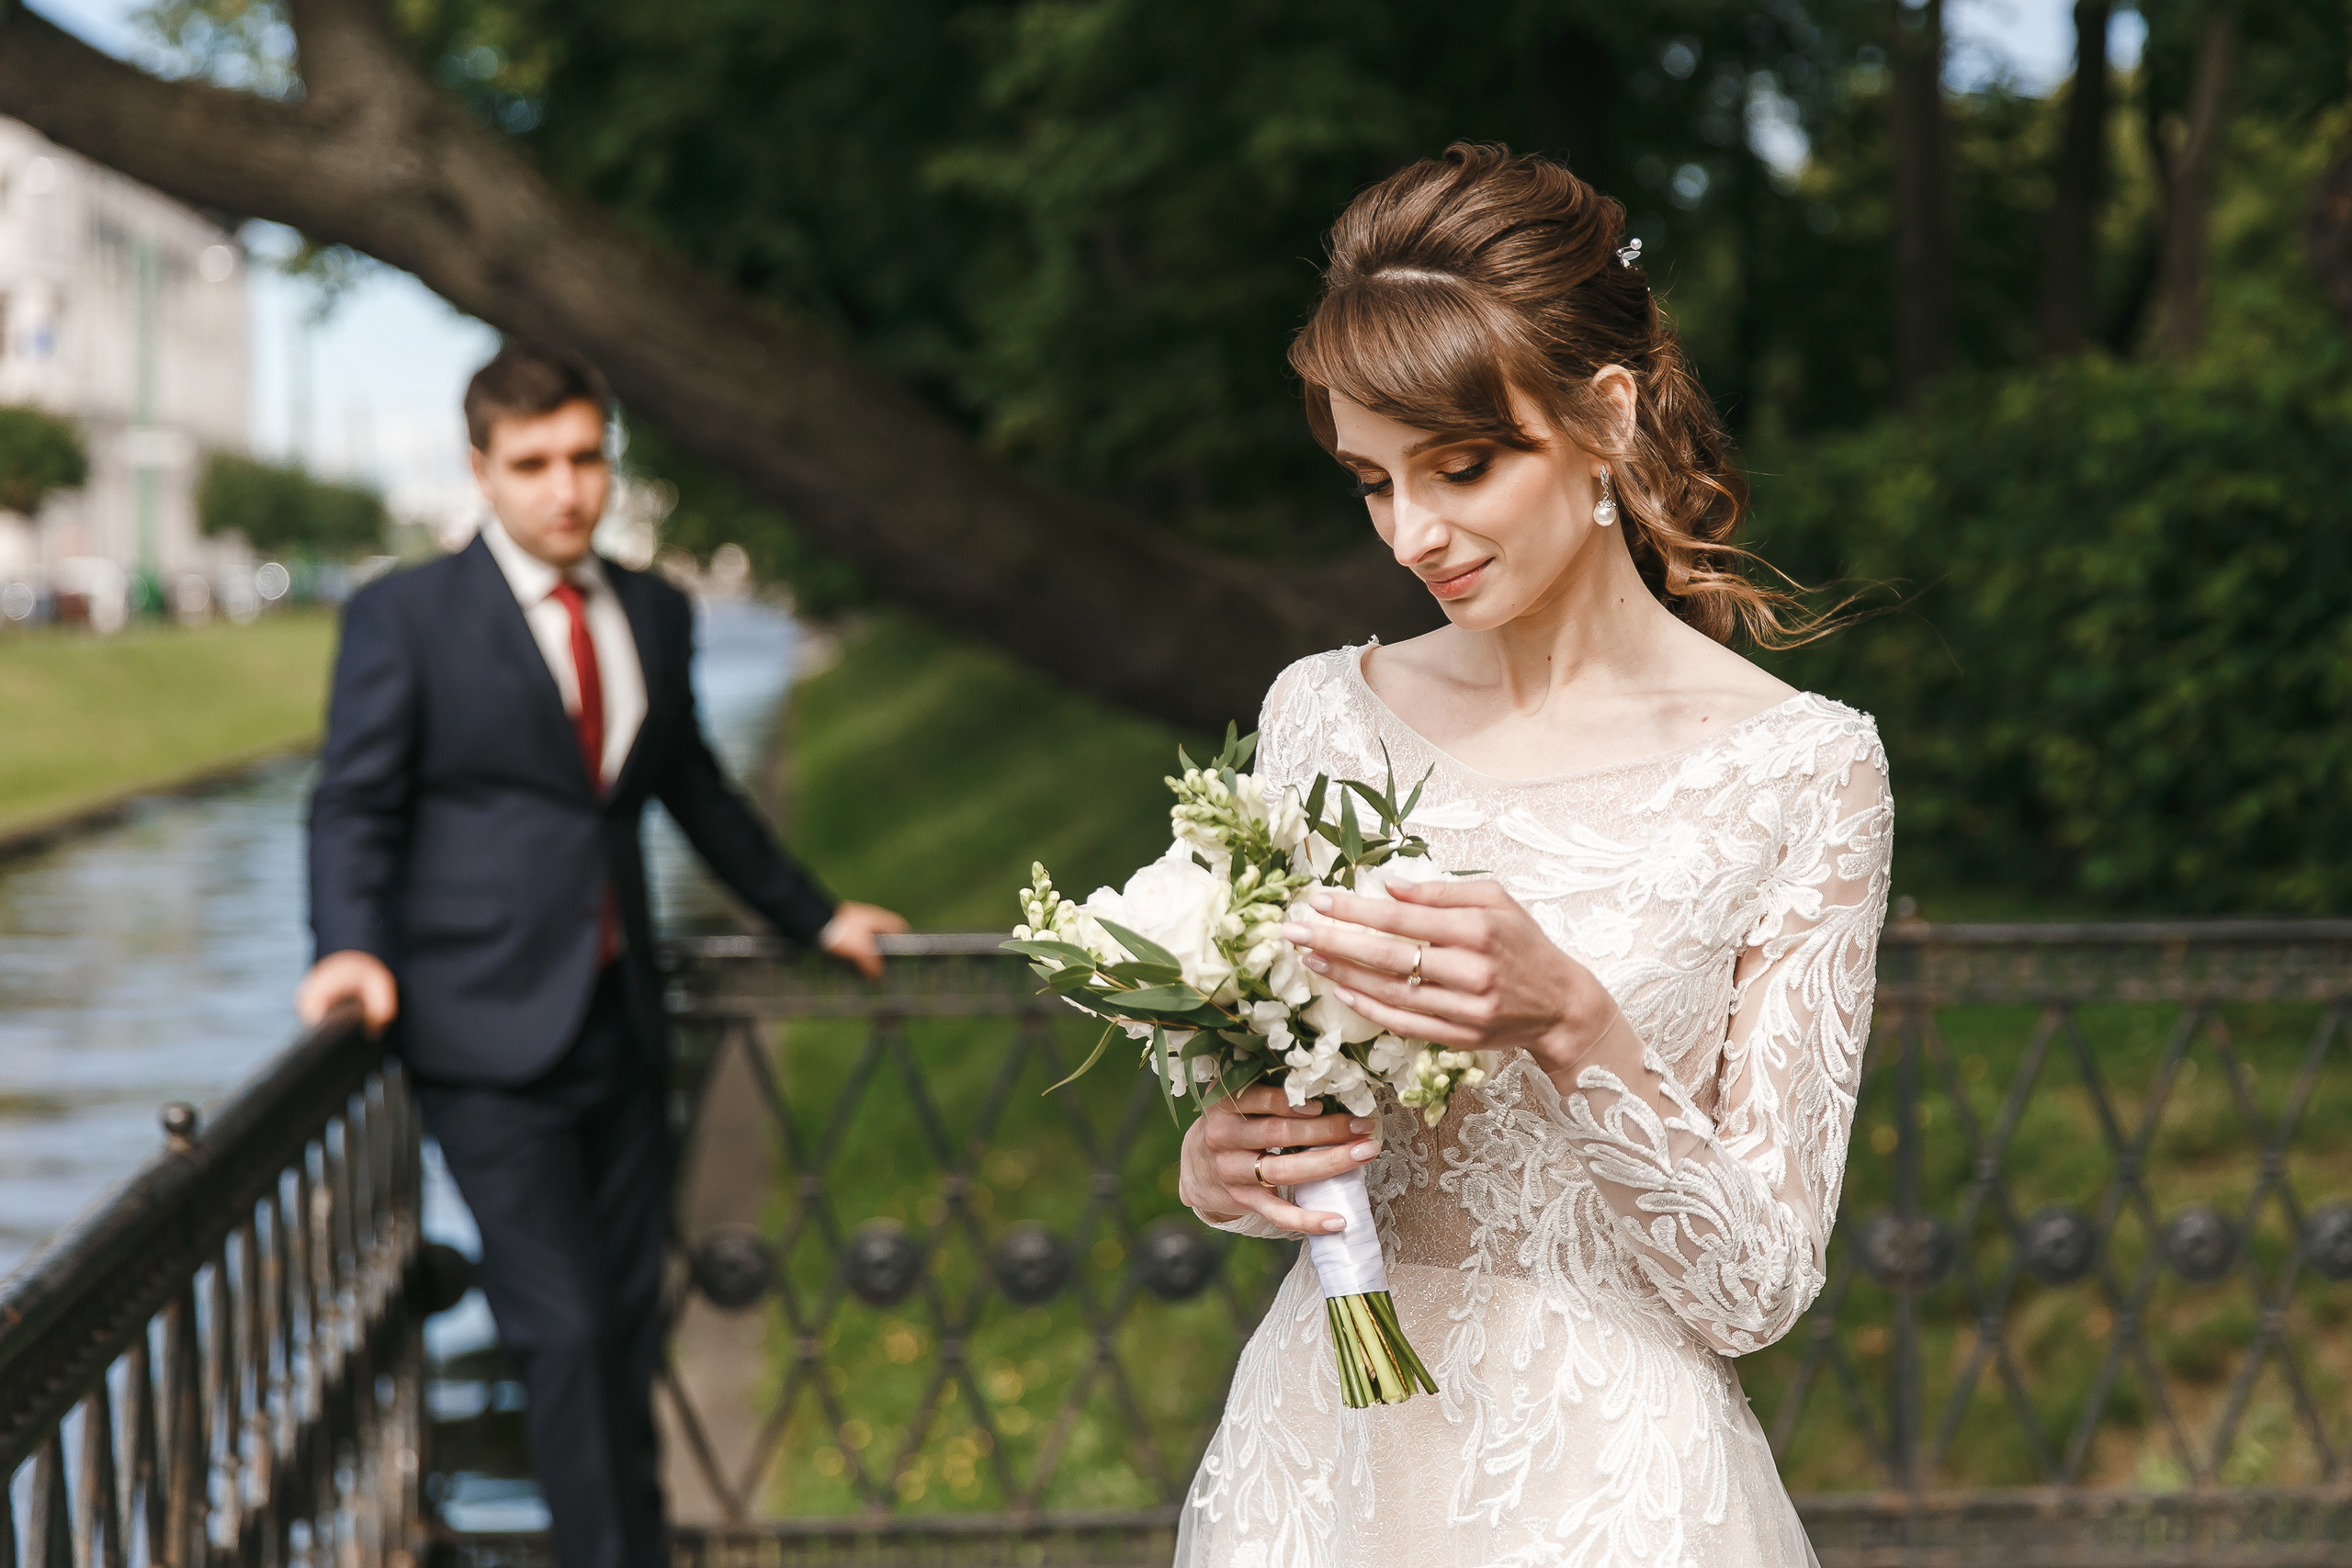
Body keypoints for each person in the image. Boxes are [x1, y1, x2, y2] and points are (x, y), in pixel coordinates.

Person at [1173, 143, 1893, 1567]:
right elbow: (1300, 1108)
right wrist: (1225, 1161)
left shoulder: (1805, 771)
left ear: (1606, 417)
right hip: (1323, 1470)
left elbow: (1756, 1288)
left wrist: (1572, 1021)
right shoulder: (1323, 716)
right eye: (1371, 482)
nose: (1413, 534)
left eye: (1462, 465)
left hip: (1614, 1497)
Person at [297, 345, 907, 1568]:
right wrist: (351, 948)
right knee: (565, 1335)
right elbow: (352, 805)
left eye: (585, 459)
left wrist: (813, 914)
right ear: (482, 471)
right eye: (533, 465)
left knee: (625, 1328)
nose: (565, 489)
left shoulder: (654, 607)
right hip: (480, 1032)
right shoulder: (405, 616)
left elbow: (693, 788)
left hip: (624, 1020)